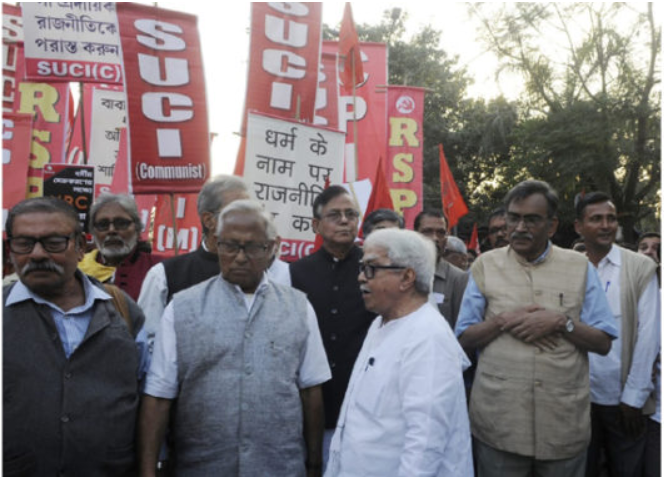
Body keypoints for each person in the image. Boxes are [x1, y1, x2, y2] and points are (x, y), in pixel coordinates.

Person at [139, 200, 331, 476]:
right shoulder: (182, 307)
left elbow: (311, 390)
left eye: (252, 247)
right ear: (217, 244)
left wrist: (313, 464)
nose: (240, 257)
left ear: (271, 248)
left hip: (279, 467)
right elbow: (159, 396)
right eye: (230, 246)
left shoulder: (299, 307)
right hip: (201, 467)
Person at [455, 179, 617, 477]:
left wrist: (561, 322)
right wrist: (503, 321)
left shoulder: (580, 267)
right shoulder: (484, 266)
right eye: (513, 218)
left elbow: (604, 342)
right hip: (499, 425)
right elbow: (463, 338)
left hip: (562, 426)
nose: (518, 228)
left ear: (552, 226)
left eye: (531, 219)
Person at [4, 197, 148, 476]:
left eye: (54, 242)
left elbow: (148, 397)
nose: (37, 254)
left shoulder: (122, 311)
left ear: (81, 246)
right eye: (23, 243)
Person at [325, 229, 473, 476]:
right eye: (362, 268)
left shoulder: (428, 337)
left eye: (372, 268)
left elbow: (425, 444)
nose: (361, 277)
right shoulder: (381, 322)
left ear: (406, 277)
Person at [138, 175, 291, 346]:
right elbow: (149, 346)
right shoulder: (164, 275)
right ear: (209, 220)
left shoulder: (271, 272)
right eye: (236, 212)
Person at [574, 192, 660, 477]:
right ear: (578, 227)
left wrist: (633, 399)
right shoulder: (570, 268)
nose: (605, 225)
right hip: (578, 400)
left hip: (623, 402)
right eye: (596, 219)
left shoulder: (639, 267)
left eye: (611, 218)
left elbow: (649, 337)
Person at [290, 185, 376, 463]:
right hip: (313, 399)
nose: (344, 220)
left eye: (351, 214)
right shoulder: (295, 272)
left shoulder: (376, 268)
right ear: (316, 225)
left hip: (365, 399)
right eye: (334, 215)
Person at [79, 193, 163, 301]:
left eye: (121, 223)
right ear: (93, 232)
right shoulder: (76, 270)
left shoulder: (159, 269)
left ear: (137, 228)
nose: (111, 230)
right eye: (103, 224)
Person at [414, 209, 468, 329]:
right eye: (427, 231)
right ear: (415, 234)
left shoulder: (458, 278)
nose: (435, 238)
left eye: (441, 233)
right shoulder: (400, 272)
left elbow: (461, 329)